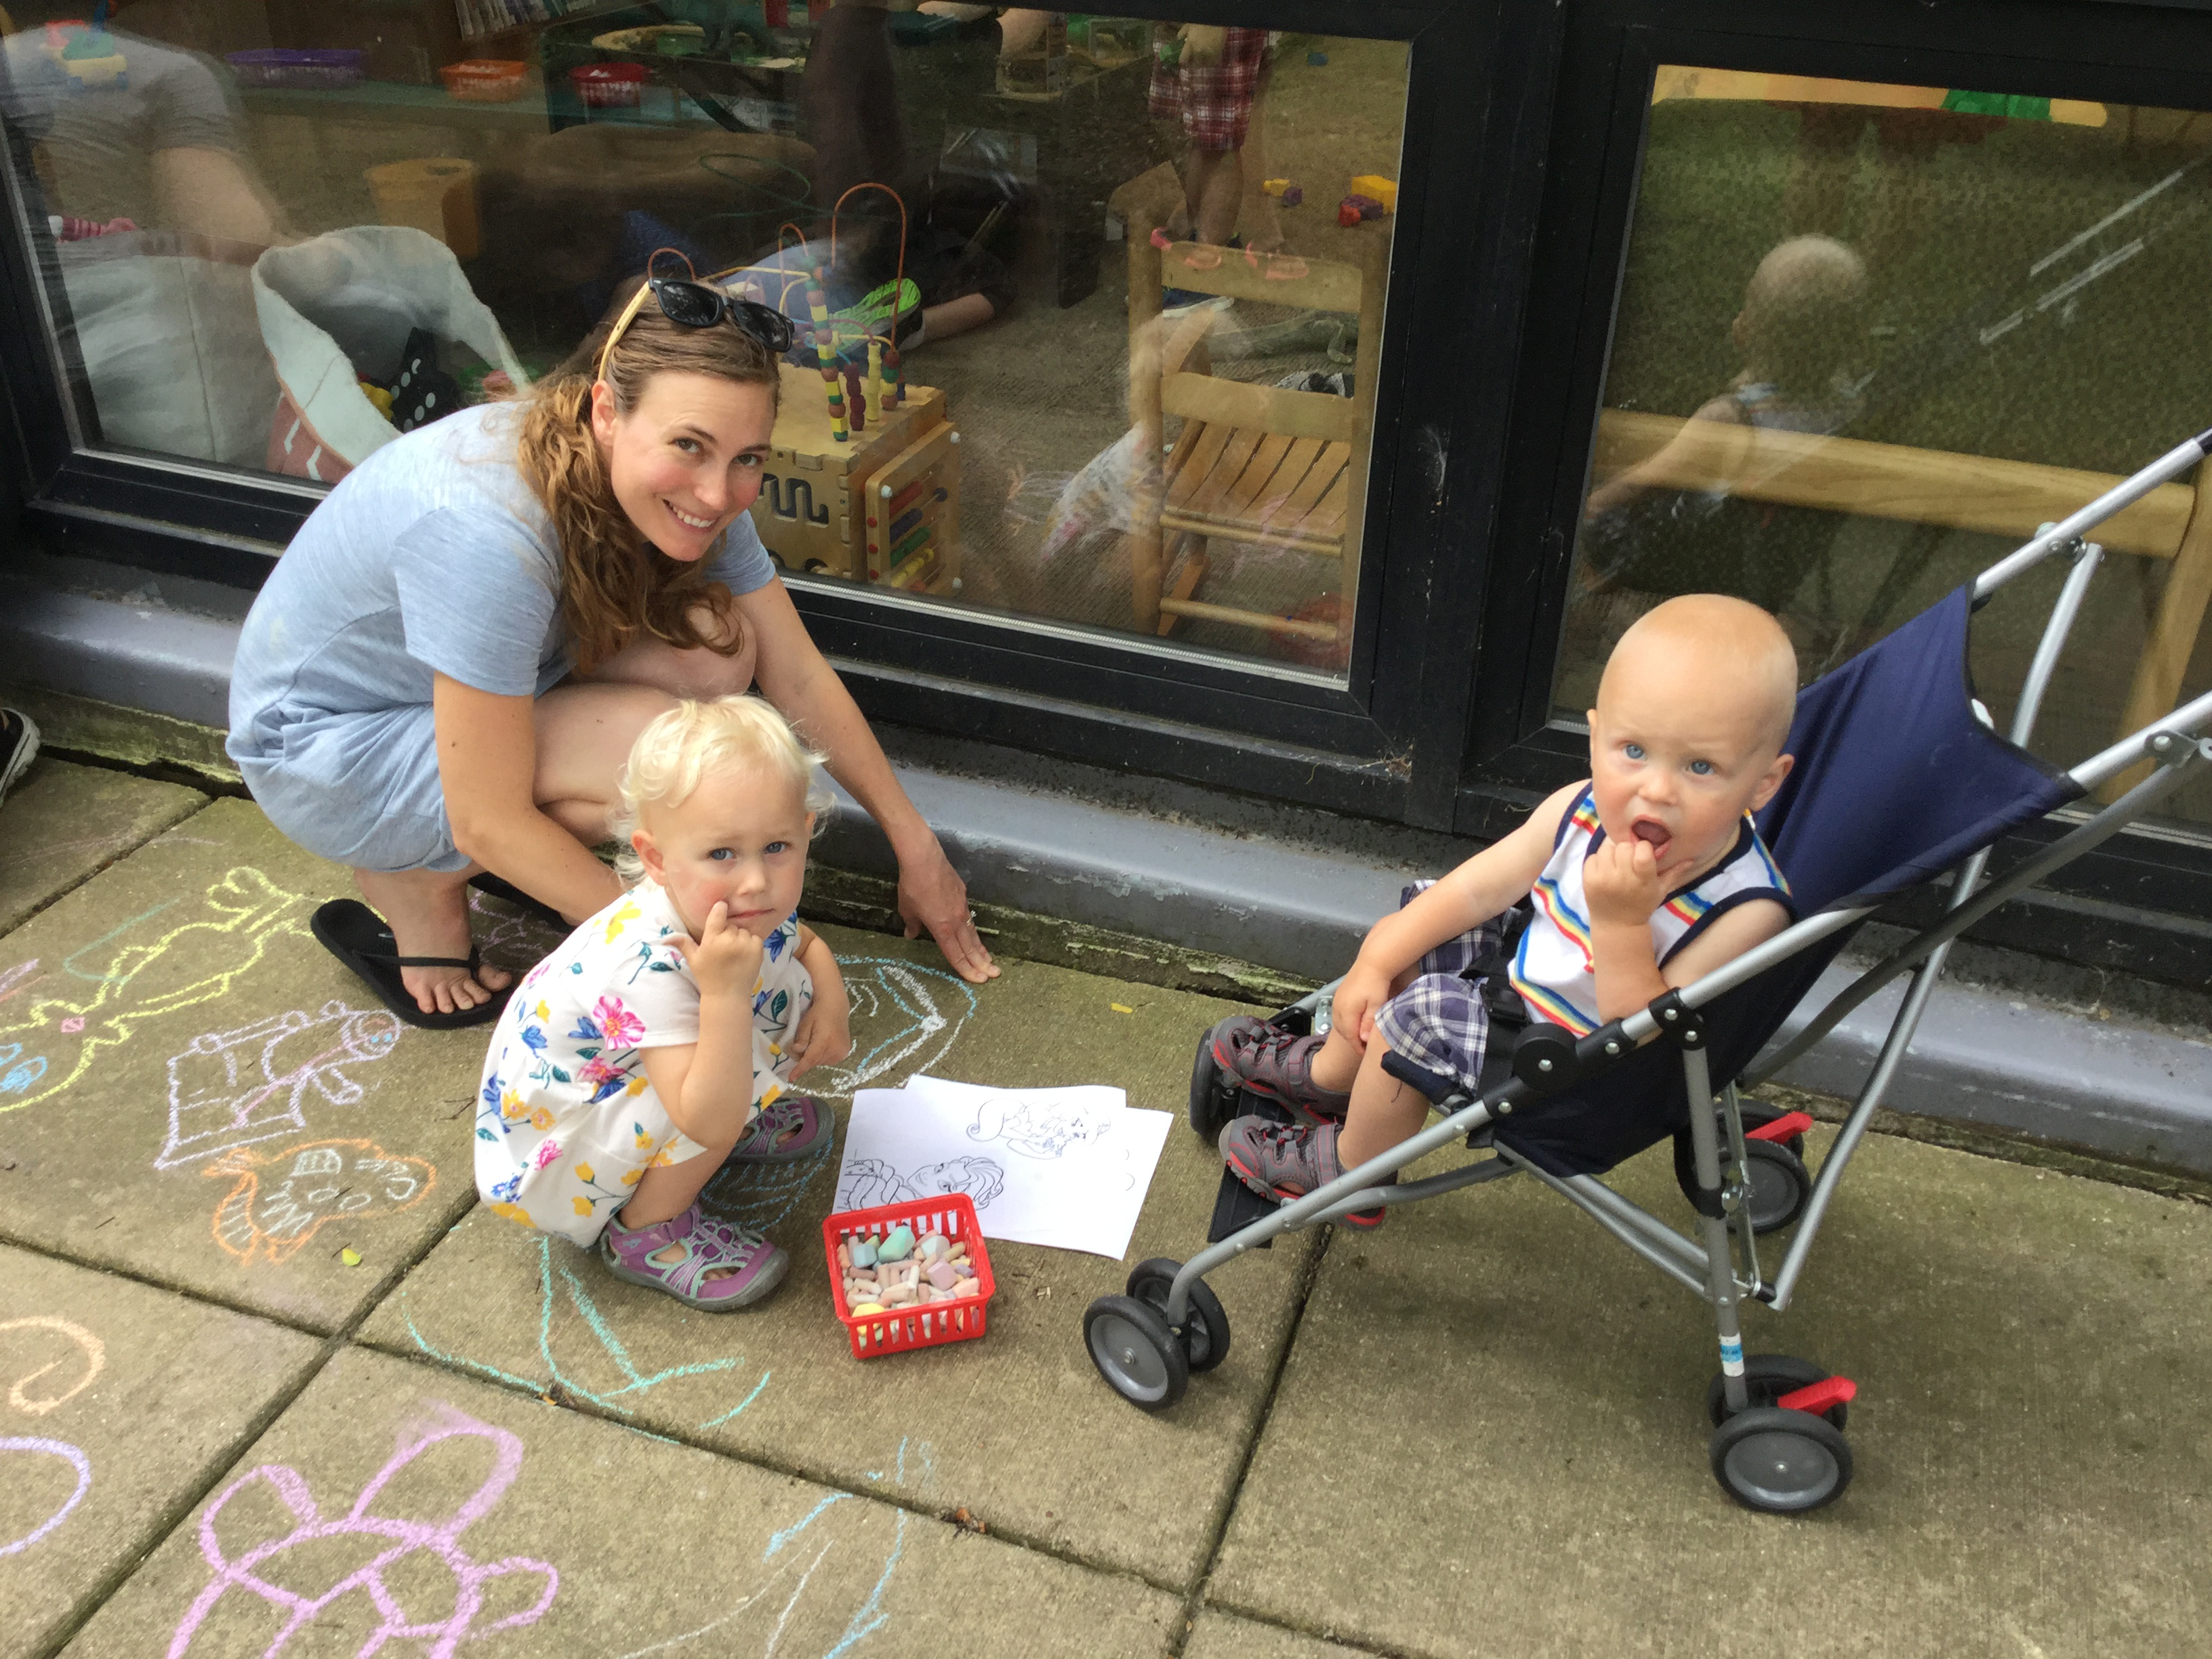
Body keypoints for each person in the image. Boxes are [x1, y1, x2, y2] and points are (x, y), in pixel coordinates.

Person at [227, 260, 996, 1029]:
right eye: (689, 446)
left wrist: (914, 843)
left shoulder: (674, 478)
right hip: (328, 751)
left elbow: (792, 668)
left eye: (747, 460)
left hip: (443, 694)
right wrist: (681, 957)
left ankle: (490, 848)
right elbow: (486, 818)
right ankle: (417, 883)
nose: (716, 494)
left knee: (720, 645)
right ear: (604, 410)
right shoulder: (489, 535)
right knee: (656, 752)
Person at [1207, 594, 1799, 1225]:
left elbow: (1642, 1036)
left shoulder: (1746, 912)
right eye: (1632, 750)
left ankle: (1354, 1169)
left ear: (1764, 783)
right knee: (1423, 923)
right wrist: (1376, 959)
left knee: (1420, 1016)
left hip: (1568, 1068)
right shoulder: (1584, 807)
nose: (1655, 788)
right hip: (1519, 984)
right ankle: (1332, 1075)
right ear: (1596, 736)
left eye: (1700, 766)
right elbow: (1476, 891)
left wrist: (1622, 921)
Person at [476, 695, 849, 1309]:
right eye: (722, 853)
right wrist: (727, 997)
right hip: (564, 1134)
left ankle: (727, 1120)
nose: (756, 879)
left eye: (777, 847)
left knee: (782, 988)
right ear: (656, 858)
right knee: (717, 1083)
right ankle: (645, 1232)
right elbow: (703, 1116)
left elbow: (802, 943)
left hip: (652, 1074)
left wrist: (830, 1002)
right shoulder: (643, 961)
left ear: (804, 831)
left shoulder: (731, 900)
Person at [1580, 236, 1868, 617]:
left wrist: (1592, 505)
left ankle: (1589, 621)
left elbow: (1643, 483)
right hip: (1770, 556)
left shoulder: (1730, 420)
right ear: (1851, 343)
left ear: (1741, 332)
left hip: (1694, 559)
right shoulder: (1850, 405)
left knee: (1598, 525)